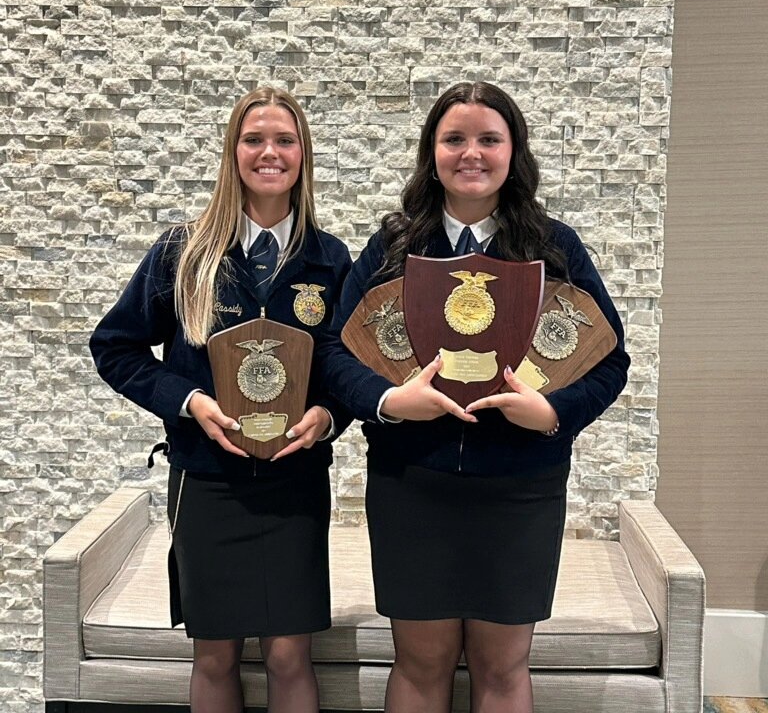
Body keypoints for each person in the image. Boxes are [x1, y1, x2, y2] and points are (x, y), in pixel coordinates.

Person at [318, 81, 630, 713]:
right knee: (420, 663)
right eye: (454, 138)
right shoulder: (394, 247)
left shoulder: (554, 247)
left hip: (521, 488)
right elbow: (332, 351)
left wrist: (553, 415)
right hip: (413, 484)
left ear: (513, 151)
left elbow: (609, 360)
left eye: (489, 139)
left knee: (503, 667)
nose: (472, 153)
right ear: (431, 151)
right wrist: (386, 401)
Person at [90, 87, 352, 713]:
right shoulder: (185, 254)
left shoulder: (330, 259)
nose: (270, 152)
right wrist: (189, 403)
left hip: (294, 484)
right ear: (233, 153)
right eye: (254, 139)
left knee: (290, 654)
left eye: (284, 140)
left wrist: (330, 417)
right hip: (207, 484)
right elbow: (115, 348)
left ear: (303, 154)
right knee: (214, 654)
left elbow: (349, 371)